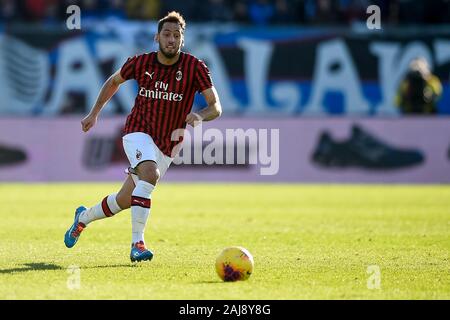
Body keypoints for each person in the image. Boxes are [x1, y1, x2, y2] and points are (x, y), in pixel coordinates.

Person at [64, 11, 222, 262]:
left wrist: (200, 115)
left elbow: (216, 106)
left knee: (124, 200)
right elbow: (113, 81)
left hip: (168, 145)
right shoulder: (140, 62)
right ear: (157, 37)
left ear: (183, 39)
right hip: (137, 131)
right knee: (150, 174)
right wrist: (94, 113)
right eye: (167, 34)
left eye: (177, 35)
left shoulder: (195, 67)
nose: (172, 39)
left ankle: (82, 218)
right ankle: (137, 244)